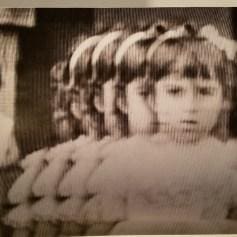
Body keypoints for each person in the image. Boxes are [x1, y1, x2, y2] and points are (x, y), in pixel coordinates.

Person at [77, 24, 237, 234]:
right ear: (153, 99)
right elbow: (101, 224)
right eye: (174, 91)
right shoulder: (129, 156)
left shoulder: (228, 159)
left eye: (205, 92)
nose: (190, 107)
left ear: (226, 100)